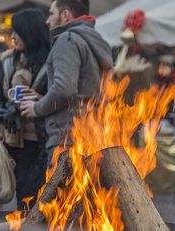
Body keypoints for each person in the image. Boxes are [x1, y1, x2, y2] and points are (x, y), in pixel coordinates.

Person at [20, 0, 113, 167]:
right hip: (93, 135)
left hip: (67, 138)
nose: (47, 21)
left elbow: (64, 89)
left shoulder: (67, 39)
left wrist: (37, 107)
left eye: (51, 14)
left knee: (60, 193)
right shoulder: (96, 40)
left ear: (65, 15)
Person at [0, 9, 50, 210]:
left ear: (30, 32)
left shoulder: (51, 64)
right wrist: (0, 112)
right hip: (7, 144)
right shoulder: (6, 63)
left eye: (17, 32)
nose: (12, 37)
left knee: (30, 204)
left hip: (37, 147)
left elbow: (61, 99)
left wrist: (39, 102)